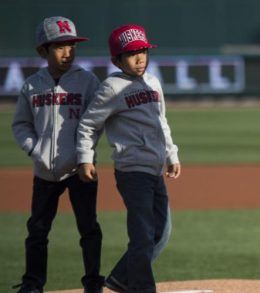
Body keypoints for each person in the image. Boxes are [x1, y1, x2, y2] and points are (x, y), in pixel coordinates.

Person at [76, 24, 181, 293]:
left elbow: (162, 122)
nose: (140, 57)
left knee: (160, 232)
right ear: (116, 59)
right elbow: (88, 125)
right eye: (132, 53)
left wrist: (171, 153)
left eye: (143, 50)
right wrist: (85, 158)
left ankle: (122, 279)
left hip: (154, 169)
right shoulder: (111, 87)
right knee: (143, 235)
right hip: (132, 171)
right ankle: (142, 288)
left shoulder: (154, 82)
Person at [11, 16, 104, 293]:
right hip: (44, 171)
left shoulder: (87, 82)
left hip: (80, 169)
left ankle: (92, 282)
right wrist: (34, 149)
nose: (69, 52)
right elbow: (21, 124)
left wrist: (85, 155)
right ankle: (33, 284)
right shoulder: (31, 85)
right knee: (37, 231)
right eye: (60, 46)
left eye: (72, 45)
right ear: (43, 51)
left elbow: (95, 123)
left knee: (88, 229)